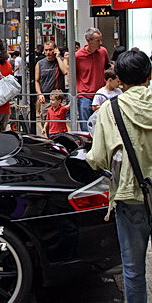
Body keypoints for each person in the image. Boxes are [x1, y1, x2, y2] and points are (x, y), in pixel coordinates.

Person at [86, 49, 152, 303]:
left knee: (134, 271)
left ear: (120, 79)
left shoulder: (109, 110)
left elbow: (97, 158)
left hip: (131, 197)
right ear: (149, 75)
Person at [75, 28, 110, 131]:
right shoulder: (78, 56)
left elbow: (107, 67)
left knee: (103, 125)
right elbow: (72, 75)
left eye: (100, 40)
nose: (101, 43)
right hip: (85, 95)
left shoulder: (103, 52)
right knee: (86, 127)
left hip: (101, 95)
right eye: (97, 40)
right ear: (88, 40)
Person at [35, 41, 68, 124]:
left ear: (55, 50)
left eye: (50, 50)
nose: (48, 52)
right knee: (46, 124)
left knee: (58, 124)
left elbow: (65, 71)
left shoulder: (61, 61)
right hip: (46, 100)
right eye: (46, 50)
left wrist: (58, 57)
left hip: (59, 99)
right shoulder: (40, 64)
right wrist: (39, 94)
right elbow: (37, 81)